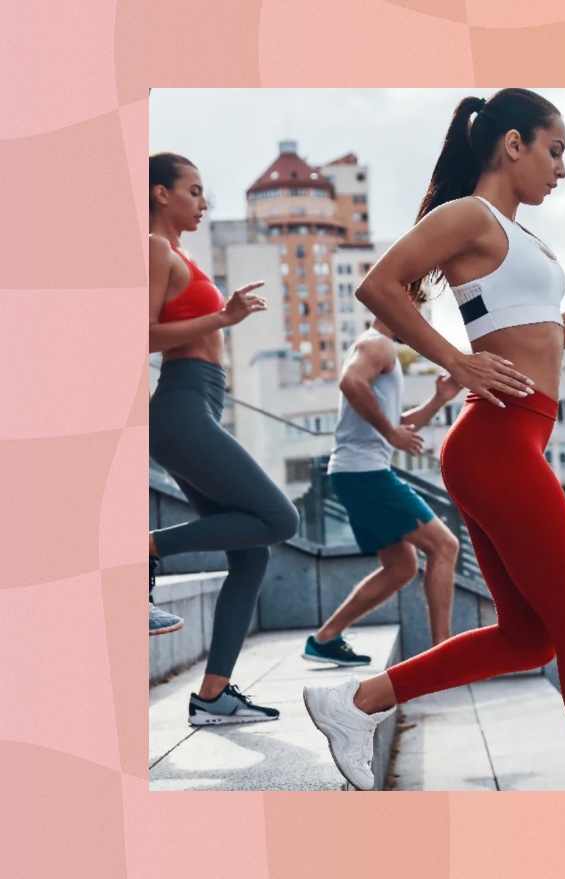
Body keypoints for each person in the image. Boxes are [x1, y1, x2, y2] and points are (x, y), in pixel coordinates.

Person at [303, 88, 565, 791]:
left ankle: (357, 701)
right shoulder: (469, 215)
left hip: (506, 444)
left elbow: (548, 339)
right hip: (498, 443)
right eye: (554, 150)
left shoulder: (514, 233)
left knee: (529, 636)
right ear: (513, 144)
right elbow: (380, 285)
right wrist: (455, 360)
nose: (561, 170)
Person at [148, 152, 299, 723]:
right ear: (162, 194)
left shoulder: (182, 254)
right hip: (182, 407)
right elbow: (141, 334)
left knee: (253, 554)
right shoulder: (158, 249)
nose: (203, 202)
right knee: (282, 519)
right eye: (193, 190)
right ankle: (147, 547)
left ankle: (212, 696)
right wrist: (222, 319)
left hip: (201, 404)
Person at [302, 319, 462, 666]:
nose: (420, 318)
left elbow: (400, 422)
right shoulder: (379, 344)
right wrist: (390, 432)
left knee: (402, 565)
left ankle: (325, 638)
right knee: (445, 545)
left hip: (355, 473)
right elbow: (350, 382)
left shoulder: (377, 348)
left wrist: (439, 398)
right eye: (416, 306)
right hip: (365, 473)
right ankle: (442, 655)